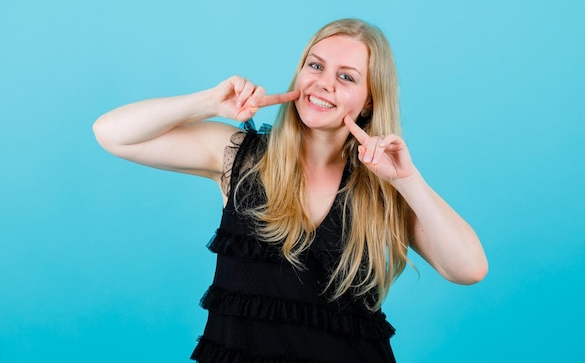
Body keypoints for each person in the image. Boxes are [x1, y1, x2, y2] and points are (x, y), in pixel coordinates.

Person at [93, 18, 488, 363]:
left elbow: (469, 269)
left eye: (346, 76)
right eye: (315, 66)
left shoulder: (383, 186)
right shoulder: (240, 156)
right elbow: (112, 134)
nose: (323, 83)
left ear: (369, 102)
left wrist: (407, 181)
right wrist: (209, 102)